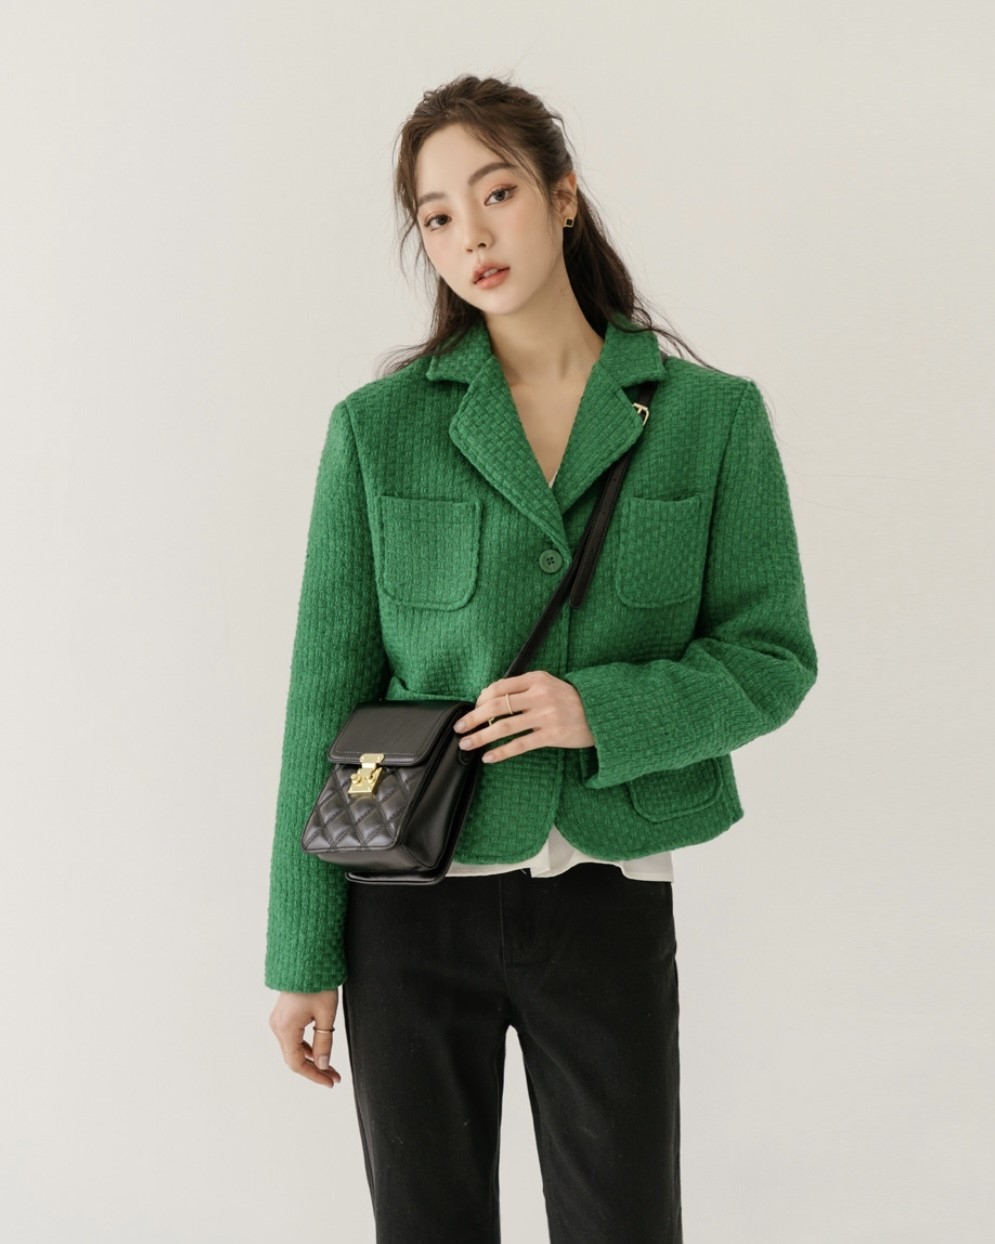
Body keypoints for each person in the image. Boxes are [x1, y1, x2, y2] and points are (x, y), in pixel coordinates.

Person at [266, 74, 817, 1244]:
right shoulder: (377, 428)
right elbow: (324, 696)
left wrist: (598, 709)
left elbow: (770, 657)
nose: (471, 236)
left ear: (561, 197)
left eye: (496, 194)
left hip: (605, 890)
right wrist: (300, 953)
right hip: (407, 903)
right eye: (436, 216)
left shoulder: (708, 417)